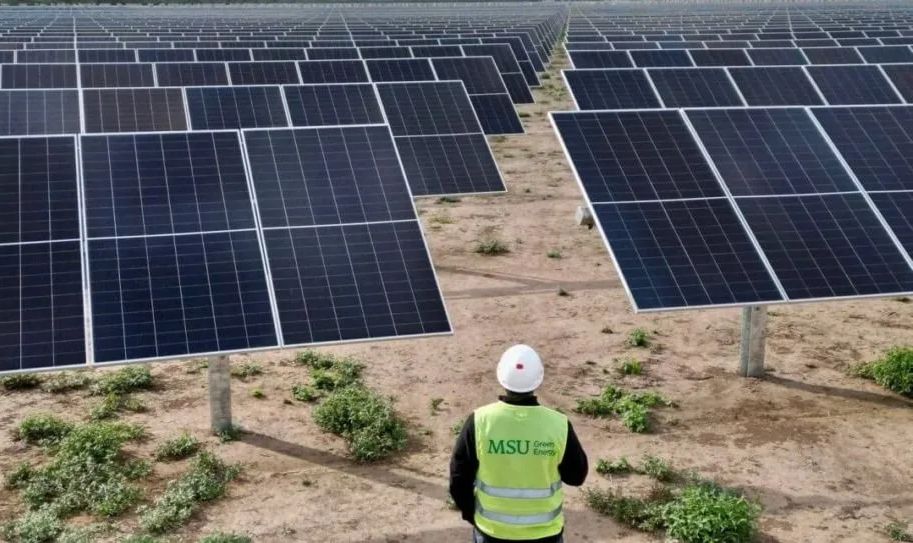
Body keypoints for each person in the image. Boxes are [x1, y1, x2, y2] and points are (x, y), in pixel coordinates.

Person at [449, 344, 589, 543]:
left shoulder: (480, 421)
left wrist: (471, 514)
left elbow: (458, 479)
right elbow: (576, 476)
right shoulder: (558, 425)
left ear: (500, 375)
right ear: (538, 378)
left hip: (492, 532)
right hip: (545, 534)